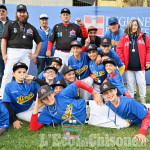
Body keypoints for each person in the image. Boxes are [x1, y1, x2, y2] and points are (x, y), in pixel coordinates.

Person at [0, 4, 42, 97]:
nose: (22, 14)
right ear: (16, 14)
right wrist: (4, 54)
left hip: (26, 53)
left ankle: (22, 93)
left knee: (23, 74)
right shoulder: (10, 25)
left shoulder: (31, 27)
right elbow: (4, 40)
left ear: (27, 13)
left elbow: (39, 41)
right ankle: (2, 94)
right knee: (8, 73)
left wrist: (35, 54)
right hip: (12, 51)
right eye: (20, 12)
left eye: (23, 12)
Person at [30, 81, 102, 131]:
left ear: (53, 93)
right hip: (91, 120)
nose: (49, 99)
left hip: (92, 106)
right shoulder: (46, 113)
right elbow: (33, 128)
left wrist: (95, 93)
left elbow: (79, 83)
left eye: (49, 95)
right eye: (45, 98)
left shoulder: (61, 94)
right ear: (41, 100)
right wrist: (36, 107)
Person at [116, 18, 150, 104]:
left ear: (138, 26)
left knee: (142, 83)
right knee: (130, 83)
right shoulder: (124, 38)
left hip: (140, 65)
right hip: (128, 66)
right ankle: (131, 100)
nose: (133, 27)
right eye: (132, 25)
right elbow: (119, 50)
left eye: (135, 25)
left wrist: (148, 61)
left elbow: (149, 49)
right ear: (129, 26)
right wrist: (122, 62)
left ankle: (143, 100)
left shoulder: (144, 37)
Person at [2, 62, 43, 129]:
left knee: (51, 102)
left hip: (32, 105)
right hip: (21, 112)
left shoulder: (31, 82)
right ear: (13, 74)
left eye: (24, 72)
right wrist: (14, 120)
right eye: (19, 72)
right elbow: (6, 104)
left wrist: (34, 78)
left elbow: (45, 86)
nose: (22, 74)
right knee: (40, 119)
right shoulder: (9, 86)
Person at [0, 5, 11, 88]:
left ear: (6, 13)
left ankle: (10, 89)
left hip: (10, 52)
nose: (1, 12)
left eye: (3, 11)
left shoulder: (12, 23)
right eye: (0, 11)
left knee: (10, 72)